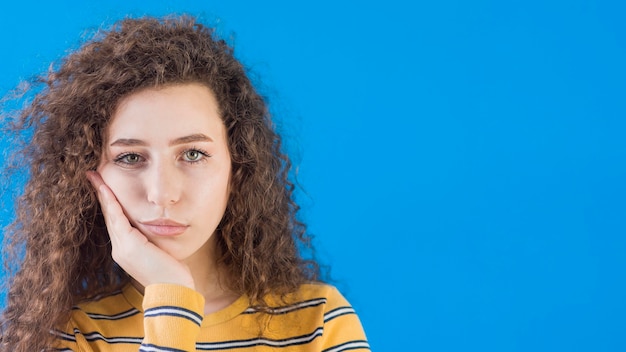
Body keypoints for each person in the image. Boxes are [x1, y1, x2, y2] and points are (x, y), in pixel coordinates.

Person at [0, 15, 369, 352]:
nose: (162, 194)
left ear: (238, 166)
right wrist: (171, 300)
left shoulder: (319, 323)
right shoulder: (70, 335)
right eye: (130, 157)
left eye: (193, 154)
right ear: (88, 174)